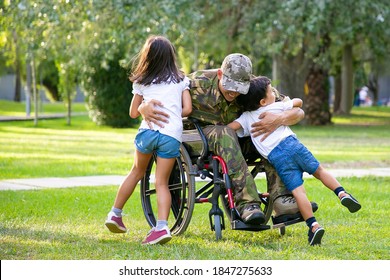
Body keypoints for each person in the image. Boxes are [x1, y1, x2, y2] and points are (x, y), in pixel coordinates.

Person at [138, 53, 307, 225]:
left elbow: (297, 111)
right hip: (199, 139)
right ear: (220, 74)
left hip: (238, 140)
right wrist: (143, 106)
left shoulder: (256, 88)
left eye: (239, 88)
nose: (233, 92)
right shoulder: (197, 84)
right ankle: (248, 204)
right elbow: (162, 94)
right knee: (225, 133)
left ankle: (282, 199)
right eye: (230, 86)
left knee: (272, 137)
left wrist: (279, 119)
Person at [228, 76, 361, 245]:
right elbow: (298, 102)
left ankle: (313, 226)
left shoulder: (247, 117)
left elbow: (230, 128)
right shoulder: (276, 106)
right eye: (271, 91)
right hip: (294, 146)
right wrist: (285, 108)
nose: (274, 93)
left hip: (278, 159)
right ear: (262, 101)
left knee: (299, 193)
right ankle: (342, 193)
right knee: (320, 171)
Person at [105, 35, 192, 245]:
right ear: (171, 56)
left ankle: (115, 214)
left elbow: (133, 113)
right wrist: (172, 115)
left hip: (147, 133)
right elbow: (188, 109)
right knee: (161, 182)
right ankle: (161, 227)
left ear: (148, 57)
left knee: (136, 172)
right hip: (170, 136)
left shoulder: (142, 81)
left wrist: (146, 108)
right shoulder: (181, 79)